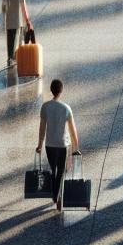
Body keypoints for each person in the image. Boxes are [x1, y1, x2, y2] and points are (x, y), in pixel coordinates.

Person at [36, 80, 80, 210]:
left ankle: (55, 195)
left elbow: (42, 128)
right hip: (63, 145)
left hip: (50, 145)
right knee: (61, 171)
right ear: (61, 91)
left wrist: (39, 145)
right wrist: (76, 148)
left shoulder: (45, 107)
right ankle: (58, 195)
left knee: (53, 170)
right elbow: (73, 131)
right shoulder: (66, 108)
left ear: (51, 90)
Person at [2, 0, 32, 66]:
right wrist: (27, 20)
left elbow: (3, 8)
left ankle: (10, 60)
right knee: (17, 43)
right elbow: (23, 8)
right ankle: (16, 61)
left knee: (10, 44)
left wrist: (7, 15)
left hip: (9, 22)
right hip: (17, 22)